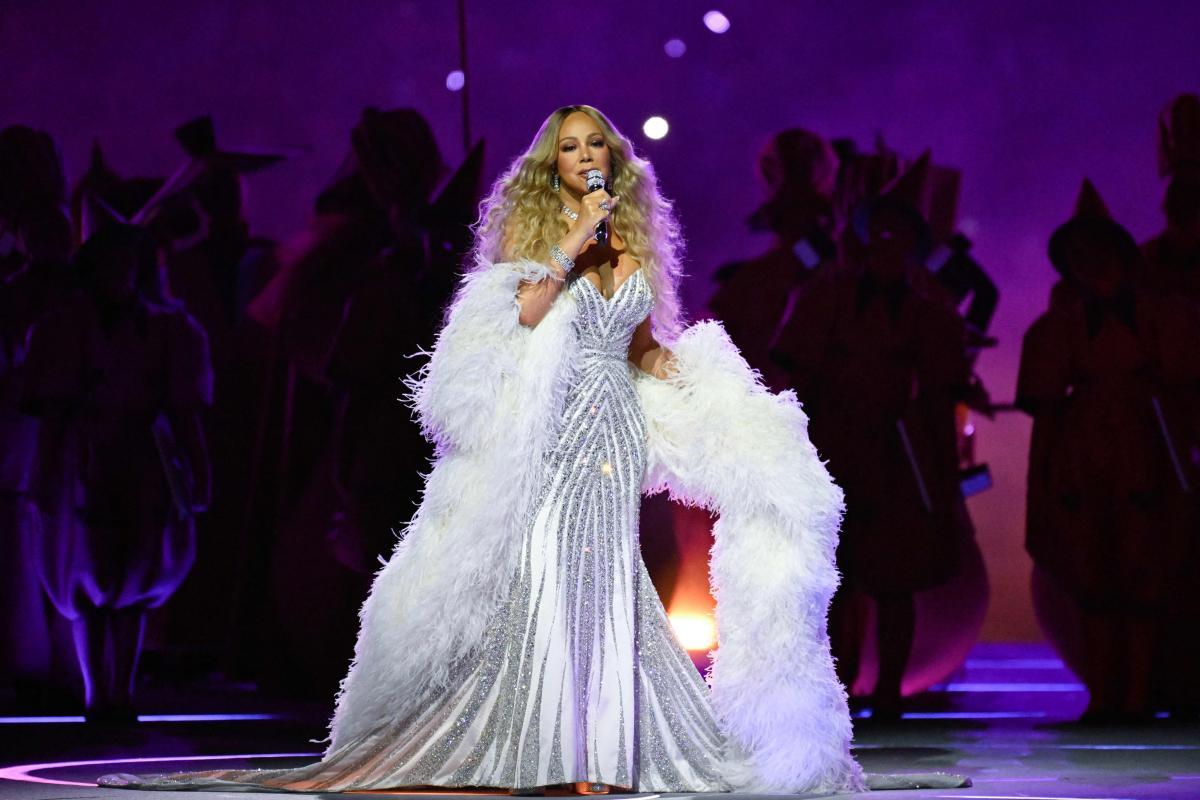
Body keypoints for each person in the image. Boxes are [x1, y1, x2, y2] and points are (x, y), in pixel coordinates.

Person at [97, 105, 967, 795]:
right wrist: (568, 242)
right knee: (547, 578)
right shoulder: (533, 243)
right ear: (554, 163)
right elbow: (516, 316)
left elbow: (639, 349)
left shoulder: (628, 255)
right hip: (549, 435)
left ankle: (603, 744)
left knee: (609, 583)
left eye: (597, 146)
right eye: (571, 147)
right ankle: (536, 740)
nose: (586, 157)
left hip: (613, 436)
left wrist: (711, 385)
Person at [21, 222, 213, 722]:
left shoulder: (167, 327)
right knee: (85, 575)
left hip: (143, 459)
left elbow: (185, 410)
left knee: (134, 577)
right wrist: (44, 475)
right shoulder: (64, 326)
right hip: (83, 461)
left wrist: (197, 468)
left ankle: (121, 694)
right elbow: (52, 411)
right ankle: (95, 695)